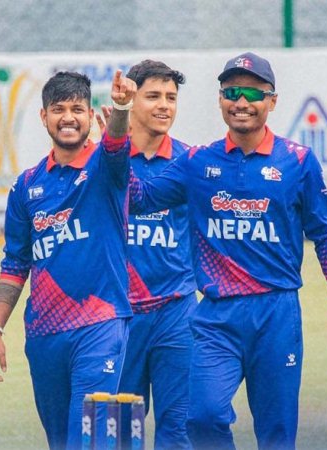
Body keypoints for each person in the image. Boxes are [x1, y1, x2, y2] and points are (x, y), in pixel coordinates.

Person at [128, 51, 327, 450]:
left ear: (272, 101)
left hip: (276, 312)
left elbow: (326, 234)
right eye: (231, 92)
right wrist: (116, 141)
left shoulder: (297, 161)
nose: (241, 102)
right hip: (217, 315)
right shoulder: (198, 162)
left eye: (253, 94)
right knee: (202, 417)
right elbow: (141, 198)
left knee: (276, 432)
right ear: (220, 99)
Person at [0, 70, 137, 450]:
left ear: (89, 115)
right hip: (44, 334)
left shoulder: (105, 166)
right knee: (62, 442)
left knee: (90, 439)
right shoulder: (26, 185)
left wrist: (121, 108)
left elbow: (117, 144)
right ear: (43, 116)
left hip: (100, 324)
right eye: (59, 109)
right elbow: (15, 262)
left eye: (77, 109)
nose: (68, 117)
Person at [119, 60, 196, 450]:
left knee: (179, 428)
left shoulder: (191, 162)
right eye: (153, 96)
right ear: (130, 100)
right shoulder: (104, 158)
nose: (164, 105)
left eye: (171, 97)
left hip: (177, 311)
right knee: (119, 430)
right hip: (118, 316)